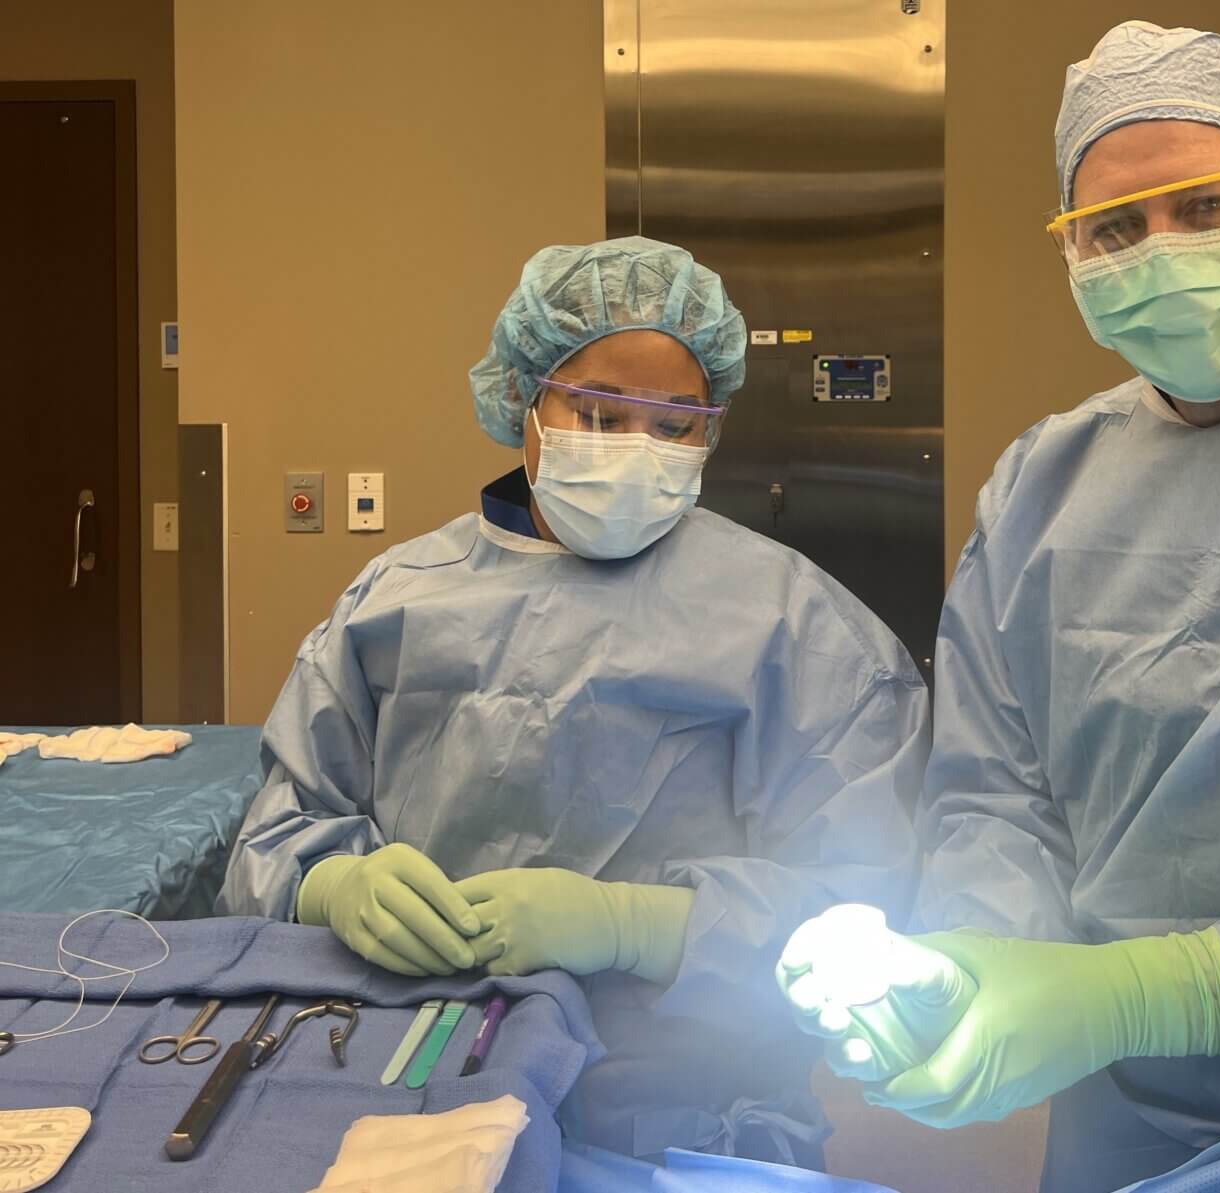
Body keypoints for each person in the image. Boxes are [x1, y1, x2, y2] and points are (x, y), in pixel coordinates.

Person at [777, 22, 1220, 1193]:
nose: (1161, 251)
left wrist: (1168, 985)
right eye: (1114, 228)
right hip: (1122, 1110)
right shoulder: (1039, 487)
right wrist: (969, 964)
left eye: (1208, 206)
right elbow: (993, 797)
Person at [218, 236, 930, 1167]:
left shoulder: (793, 622)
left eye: (676, 424)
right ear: (523, 401)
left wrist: (636, 925)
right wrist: (332, 884)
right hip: (404, 1083)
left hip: (684, 1112)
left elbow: (871, 897)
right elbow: (273, 837)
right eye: (599, 411)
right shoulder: (396, 601)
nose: (639, 447)